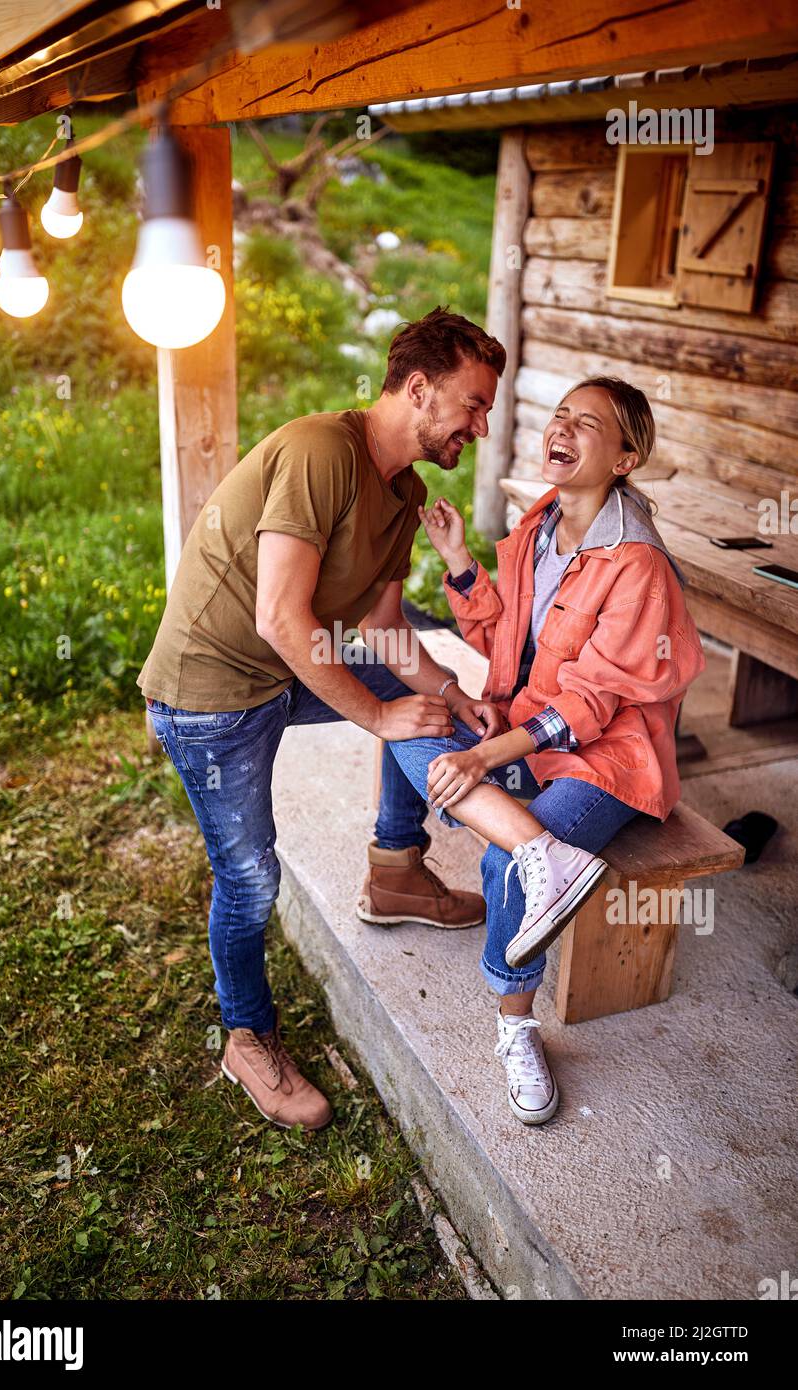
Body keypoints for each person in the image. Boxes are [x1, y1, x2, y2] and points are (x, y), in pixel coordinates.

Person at [138, 308, 515, 1131]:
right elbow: (281, 616)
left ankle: (396, 868)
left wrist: (449, 693)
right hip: (209, 696)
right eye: (474, 405)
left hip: (279, 676)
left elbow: (382, 629)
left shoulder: (405, 490)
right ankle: (247, 1037)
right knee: (250, 876)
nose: (482, 427)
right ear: (418, 389)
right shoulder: (320, 451)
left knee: (418, 705)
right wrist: (378, 714)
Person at [386, 376, 707, 1125]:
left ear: (625, 459)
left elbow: (593, 703)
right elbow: (503, 646)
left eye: (587, 424)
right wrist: (461, 564)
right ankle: (512, 850)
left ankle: (514, 1020)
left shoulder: (637, 564)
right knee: (405, 722)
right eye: (560, 415)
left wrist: (487, 756)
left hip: (609, 758)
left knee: (505, 860)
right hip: (525, 729)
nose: (562, 428)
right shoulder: (538, 528)